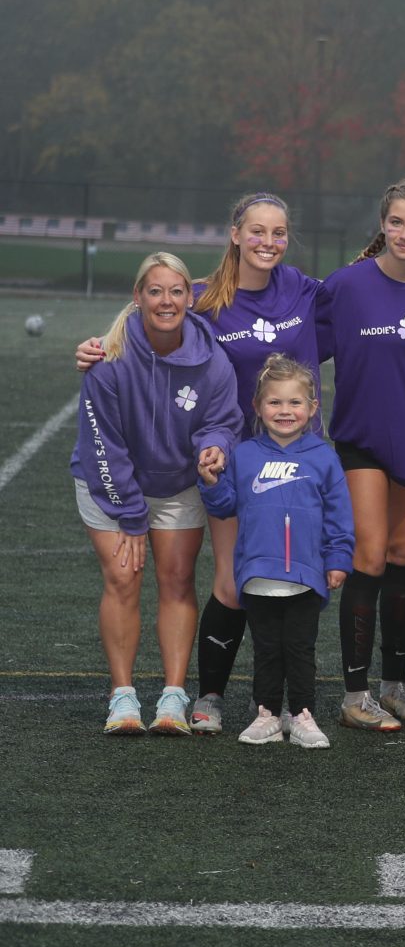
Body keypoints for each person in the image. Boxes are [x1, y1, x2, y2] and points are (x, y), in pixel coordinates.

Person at [74, 191, 324, 735]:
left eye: (278, 232)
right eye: (256, 231)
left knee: (291, 580)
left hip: (279, 463)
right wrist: (97, 348)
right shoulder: (207, 300)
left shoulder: (305, 292)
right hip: (220, 467)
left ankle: (285, 704)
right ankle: (196, 696)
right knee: (229, 581)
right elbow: (149, 312)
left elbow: (367, 312)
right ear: (234, 233)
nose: (268, 242)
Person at [73, 252, 239, 735]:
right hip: (108, 482)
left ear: (190, 297)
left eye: (176, 291)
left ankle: (173, 696)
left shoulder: (213, 360)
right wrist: (129, 516)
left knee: (176, 578)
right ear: (137, 297)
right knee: (124, 577)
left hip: (177, 482)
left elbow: (222, 420)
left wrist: (213, 448)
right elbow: (103, 445)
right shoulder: (109, 359)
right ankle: (122, 696)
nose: (166, 301)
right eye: (155, 291)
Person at [315, 180, 405, 731]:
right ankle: (354, 695)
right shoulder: (347, 285)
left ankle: (396, 685)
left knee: (403, 557)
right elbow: (303, 335)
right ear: (382, 223)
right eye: (396, 222)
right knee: (369, 557)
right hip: (362, 439)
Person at [197, 355, 351, 749]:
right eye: (275, 403)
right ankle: (266, 714)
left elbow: (338, 515)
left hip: (305, 576)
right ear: (258, 407)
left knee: (299, 649)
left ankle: (302, 714)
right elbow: (224, 505)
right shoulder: (244, 455)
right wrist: (212, 483)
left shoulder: (323, 457)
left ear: (313, 408)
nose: (285, 411)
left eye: (295, 403)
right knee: (266, 649)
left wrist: (337, 560)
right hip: (258, 574)